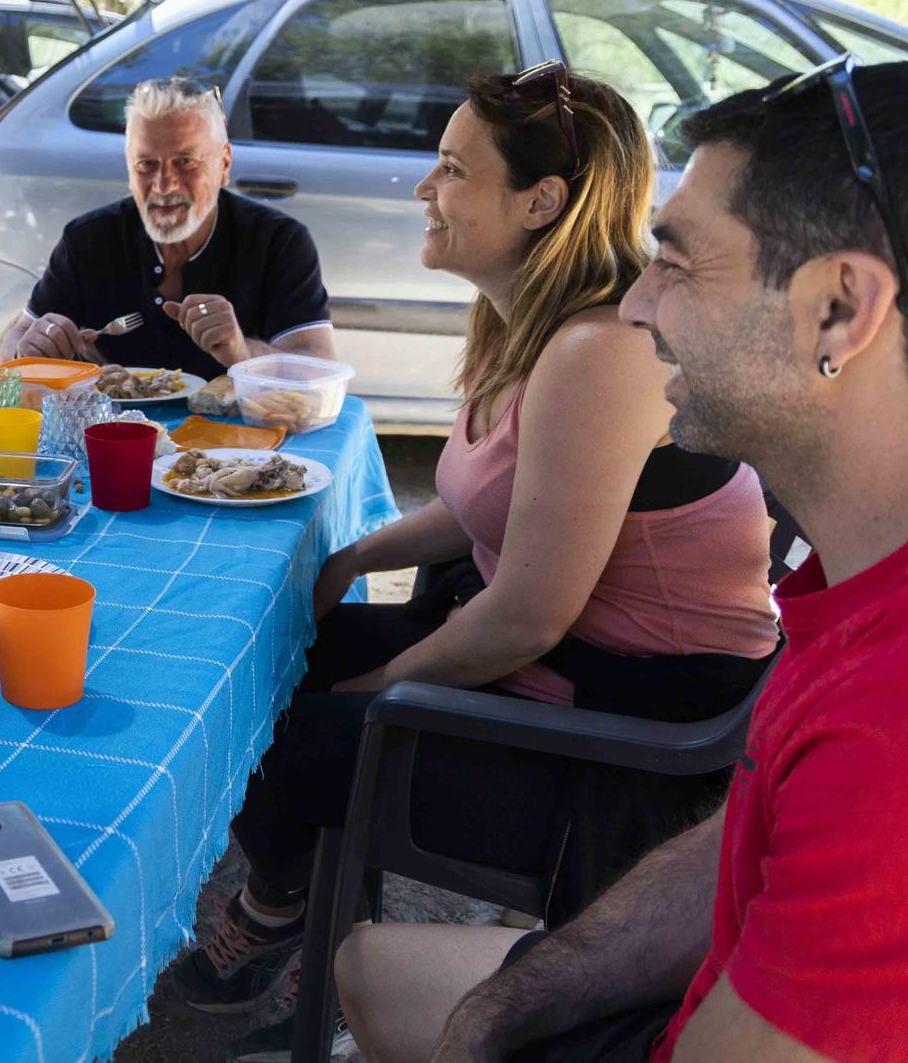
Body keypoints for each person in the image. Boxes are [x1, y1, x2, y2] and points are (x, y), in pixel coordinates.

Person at [170, 65, 780, 1031]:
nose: (425, 188)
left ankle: (282, 919)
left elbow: (531, 612)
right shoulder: (525, 318)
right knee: (262, 663)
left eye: (452, 169)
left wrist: (382, 693)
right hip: (555, 664)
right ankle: (290, 902)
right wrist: (352, 559)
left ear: (540, 201)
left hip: (635, 738)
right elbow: (487, 505)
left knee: (287, 730)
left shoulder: (599, 348)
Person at [335, 58, 908, 1063]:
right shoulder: (843, 595)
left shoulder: (882, 730)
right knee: (371, 972)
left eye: (677, 263)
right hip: (695, 971)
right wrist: (509, 1003)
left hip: (624, 749)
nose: (635, 305)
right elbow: (744, 837)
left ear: (836, 309)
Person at [0, 77, 335, 377]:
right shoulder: (88, 240)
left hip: (239, 444)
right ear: (129, 169)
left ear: (224, 164)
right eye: (146, 164)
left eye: (185, 162)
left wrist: (242, 353)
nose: (164, 184)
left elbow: (318, 364)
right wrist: (28, 350)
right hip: (109, 438)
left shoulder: (277, 241)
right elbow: (11, 346)